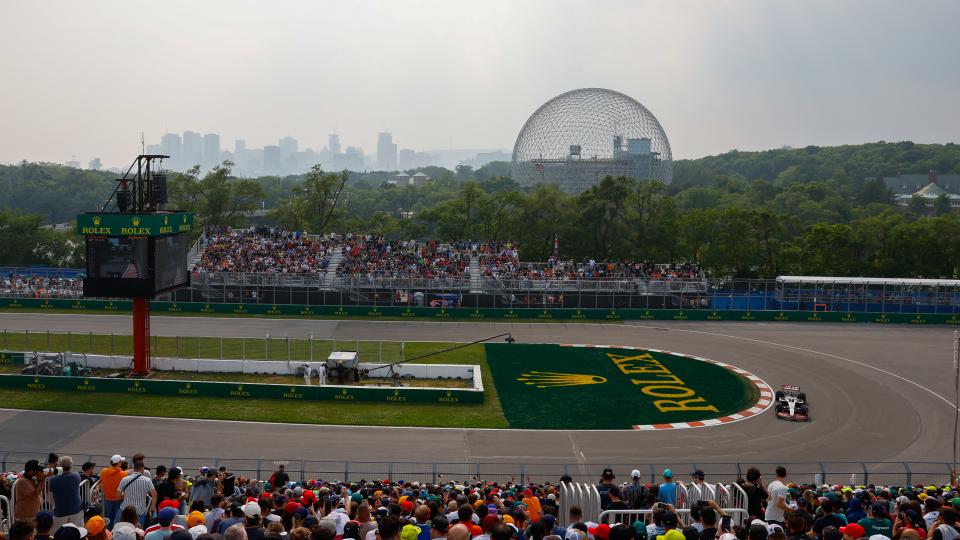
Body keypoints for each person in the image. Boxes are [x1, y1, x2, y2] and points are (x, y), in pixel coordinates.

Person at [118, 459, 158, 527]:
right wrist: (152, 507)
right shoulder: (147, 480)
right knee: (138, 531)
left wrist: (125, 496)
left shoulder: (124, 479)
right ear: (142, 468)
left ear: (133, 468)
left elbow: (118, 495)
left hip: (125, 510)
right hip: (140, 511)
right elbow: (155, 495)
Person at [49, 456, 84, 529]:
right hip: (75, 509)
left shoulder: (53, 480)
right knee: (77, 533)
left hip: (60, 511)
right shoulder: (76, 476)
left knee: (59, 534)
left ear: (60, 466)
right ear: (71, 465)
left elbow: (51, 490)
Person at [100, 455, 128, 528]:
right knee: (117, 519)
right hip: (119, 499)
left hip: (107, 498)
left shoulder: (103, 472)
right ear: (118, 463)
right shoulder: (123, 474)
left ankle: (109, 533)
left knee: (109, 518)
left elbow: (102, 483)